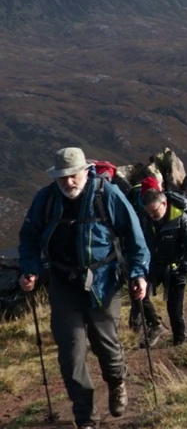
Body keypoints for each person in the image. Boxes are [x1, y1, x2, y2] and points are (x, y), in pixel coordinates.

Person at [18, 147, 149, 429]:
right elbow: (29, 238)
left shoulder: (107, 195)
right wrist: (30, 270)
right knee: (71, 352)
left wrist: (139, 274)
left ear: (86, 172)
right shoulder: (45, 199)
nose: (69, 182)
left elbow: (134, 235)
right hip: (63, 285)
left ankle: (116, 382)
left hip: (104, 282)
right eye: (63, 177)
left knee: (106, 345)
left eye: (73, 175)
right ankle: (86, 418)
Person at [136, 185, 187, 346]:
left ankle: (180, 339)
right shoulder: (145, 219)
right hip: (152, 266)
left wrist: (185, 267)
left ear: (164, 204)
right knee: (138, 294)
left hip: (175, 269)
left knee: (174, 309)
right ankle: (156, 325)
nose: (151, 215)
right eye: (148, 212)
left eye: (154, 211)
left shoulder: (181, 218)